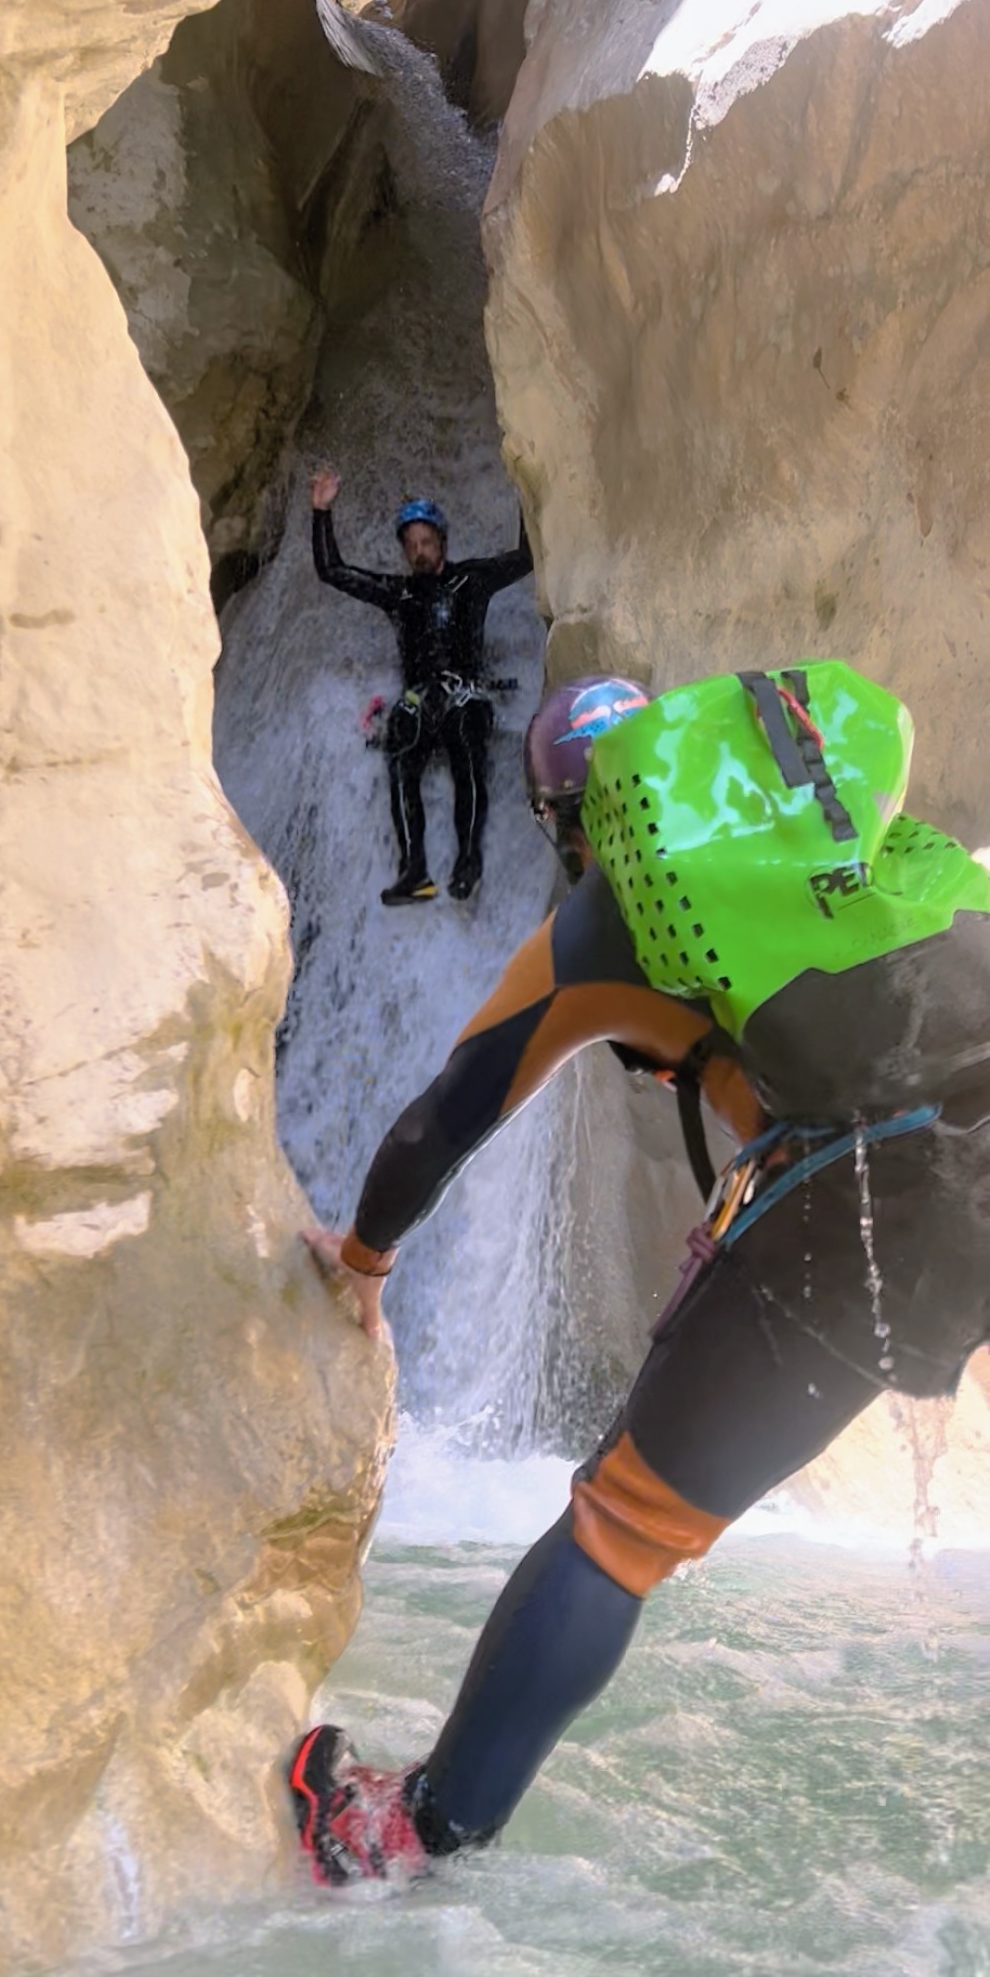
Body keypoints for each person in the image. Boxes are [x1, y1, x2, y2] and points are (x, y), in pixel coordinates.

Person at [288, 661, 990, 1884]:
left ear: (571, 822)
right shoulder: (846, 834)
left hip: (873, 1192)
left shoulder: (605, 925)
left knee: (621, 1527)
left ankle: (399, 1836)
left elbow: (442, 1121)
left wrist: (364, 1261)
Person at [310, 469, 532, 905]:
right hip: (418, 701)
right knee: (401, 748)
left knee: (466, 745)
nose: (419, 552)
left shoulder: (473, 580)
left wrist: (529, 481)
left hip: (465, 696)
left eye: (426, 542)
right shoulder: (399, 593)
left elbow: (527, 555)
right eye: (411, 545)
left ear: (442, 541)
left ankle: (468, 864)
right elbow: (332, 571)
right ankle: (414, 872)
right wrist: (321, 511)